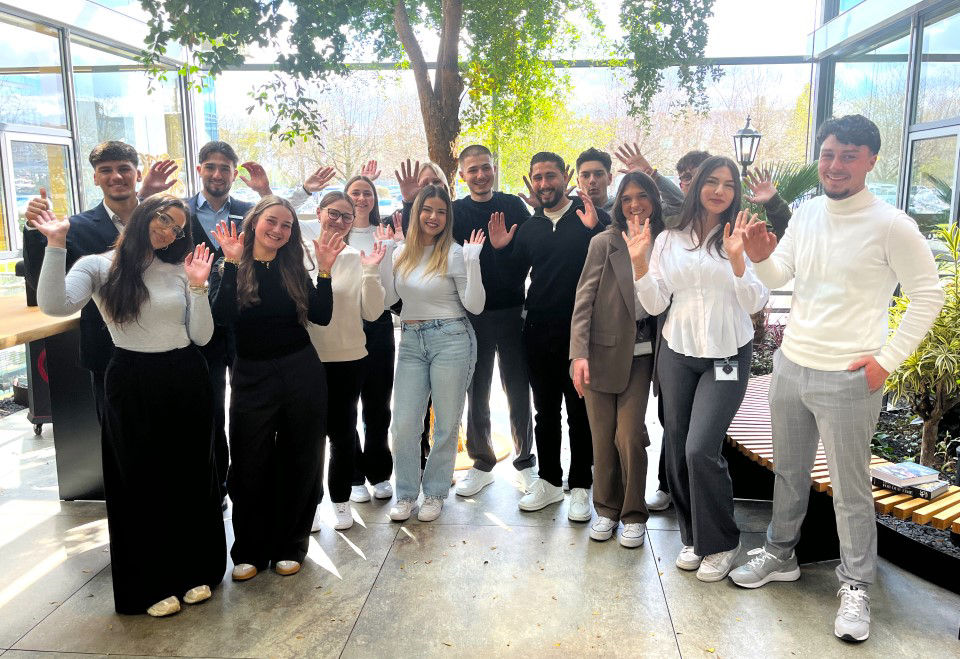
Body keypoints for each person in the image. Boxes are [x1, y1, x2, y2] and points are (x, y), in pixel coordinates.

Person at [730, 115, 944, 643]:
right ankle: (781, 554)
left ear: (871, 160)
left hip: (850, 375)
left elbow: (929, 295)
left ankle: (856, 585)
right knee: (789, 472)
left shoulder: (892, 224)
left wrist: (886, 361)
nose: (835, 165)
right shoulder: (805, 215)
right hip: (792, 365)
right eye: (828, 154)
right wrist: (759, 259)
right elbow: (782, 275)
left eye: (849, 155)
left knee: (851, 490)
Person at [34, 194, 224, 617]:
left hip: (186, 376)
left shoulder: (180, 269)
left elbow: (203, 336)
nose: (168, 230)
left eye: (177, 226)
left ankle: (196, 570)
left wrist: (198, 287)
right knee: (140, 481)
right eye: (162, 219)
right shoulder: (99, 266)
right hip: (133, 378)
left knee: (192, 477)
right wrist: (56, 244)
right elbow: (55, 305)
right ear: (143, 215)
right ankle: (150, 583)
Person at [632, 155, 769, 582]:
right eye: (712, 182)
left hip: (727, 352)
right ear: (696, 187)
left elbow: (757, 302)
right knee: (675, 443)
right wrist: (640, 264)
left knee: (700, 448)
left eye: (728, 184)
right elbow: (655, 303)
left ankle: (723, 542)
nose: (719, 190)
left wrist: (738, 261)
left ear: (736, 193)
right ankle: (694, 537)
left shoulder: (743, 236)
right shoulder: (669, 238)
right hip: (677, 350)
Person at [211, 196, 343, 580]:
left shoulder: (292, 267)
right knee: (250, 462)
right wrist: (232, 261)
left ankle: (291, 544)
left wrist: (326, 271)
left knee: (301, 457)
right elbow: (222, 319)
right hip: (251, 374)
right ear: (255, 222)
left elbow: (320, 315)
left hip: (301, 370)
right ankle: (250, 549)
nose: (279, 230)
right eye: (272, 221)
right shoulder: (229, 264)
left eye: (287, 225)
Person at [22, 142, 182, 421]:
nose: (116, 176)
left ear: (138, 174)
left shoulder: (165, 223)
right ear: (95, 177)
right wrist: (35, 231)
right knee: (121, 442)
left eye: (124, 169)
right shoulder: (76, 228)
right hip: (109, 355)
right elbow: (43, 285)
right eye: (105, 170)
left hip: (170, 352)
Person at [488, 151, 609, 520]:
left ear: (565, 176)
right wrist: (499, 251)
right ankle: (551, 482)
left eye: (551, 176)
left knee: (579, 412)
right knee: (545, 412)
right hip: (538, 331)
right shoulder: (529, 228)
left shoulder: (590, 217)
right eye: (537, 177)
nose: (544, 184)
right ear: (531, 180)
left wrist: (596, 229)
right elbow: (511, 277)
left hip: (581, 333)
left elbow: (614, 260)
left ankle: (581, 486)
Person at [570, 171, 665, 548]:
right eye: (626, 198)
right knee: (602, 437)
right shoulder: (603, 242)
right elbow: (584, 301)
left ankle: (633, 513)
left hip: (644, 356)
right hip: (600, 352)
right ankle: (606, 509)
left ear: (654, 200)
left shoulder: (667, 241)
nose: (634, 204)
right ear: (618, 203)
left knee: (629, 435)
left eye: (642, 196)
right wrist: (578, 352)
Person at [382, 185, 485, 523]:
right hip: (411, 340)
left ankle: (436, 492)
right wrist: (383, 256)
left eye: (441, 212)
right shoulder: (401, 253)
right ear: (417, 212)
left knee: (445, 424)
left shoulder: (455, 253)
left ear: (447, 217)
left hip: (452, 338)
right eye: (427, 210)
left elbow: (475, 306)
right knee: (404, 425)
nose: (434, 217)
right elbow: (386, 301)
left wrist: (473, 263)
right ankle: (407, 494)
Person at [452, 145, 536, 497]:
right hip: (473, 315)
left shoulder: (514, 206)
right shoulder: (455, 212)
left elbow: (528, 255)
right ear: (462, 175)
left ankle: (525, 460)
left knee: (517, 387)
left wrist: (502, 250)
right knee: (478, 388)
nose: (480, 175)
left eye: (485, 168)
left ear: (494, 168)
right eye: (473, 170)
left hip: (513, 310)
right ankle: (482, 460)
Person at [300, 192, 386, 532]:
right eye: (333, 214)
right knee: (308, 437)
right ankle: (311, 504)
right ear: (319, 214)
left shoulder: (356, 256)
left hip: (350, 358)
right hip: (305, 360)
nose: (338, 221)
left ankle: (340, 502)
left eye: (346, 217)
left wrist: (371, 271)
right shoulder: (298, 254)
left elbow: (373, 312)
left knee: (342, 434)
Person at [185, 141, 254, 505]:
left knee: (245, 404)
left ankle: (246, 476)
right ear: (199, 170)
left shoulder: (248, 212)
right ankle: (219, 483)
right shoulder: (178, 212)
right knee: (211, 405)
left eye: (224, 168)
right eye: (210, 167)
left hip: (242, 322)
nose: (217, 174)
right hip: (200, 323)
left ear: (234, 172)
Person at [343, 175, 398, 504]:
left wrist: (387, 253)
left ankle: (379, 472)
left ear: (375, 199)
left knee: (377, 405)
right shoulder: (335, 235)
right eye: (355, 193)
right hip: (342, 328)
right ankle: (353, 475)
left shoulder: (384, 234)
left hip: (378, 324)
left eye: (367, 193)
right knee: (346, 406)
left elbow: (391, 291)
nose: (361, 198)